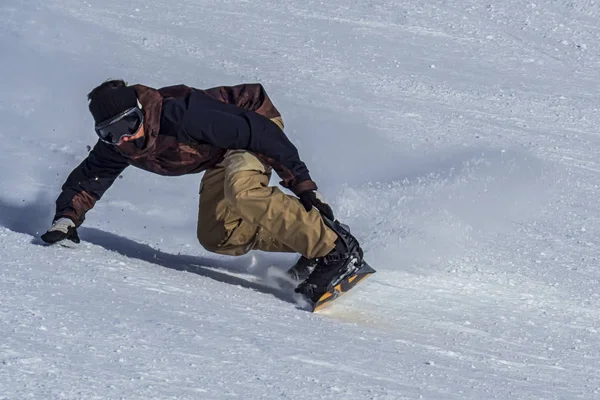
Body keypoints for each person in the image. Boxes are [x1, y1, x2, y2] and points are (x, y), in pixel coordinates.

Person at [41, 80, 361, 302]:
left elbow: (259, 132)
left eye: (128, 124)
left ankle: (336, 250)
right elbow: (87, 180)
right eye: (109, 133)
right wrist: (66, 219)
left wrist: (304, 187)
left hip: (253, 125)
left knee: (242, 191)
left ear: (140, 111)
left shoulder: (180, 114)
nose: (123, 138)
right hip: (221, 152)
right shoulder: (119, 148)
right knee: (217, 235)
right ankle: (308, 239)